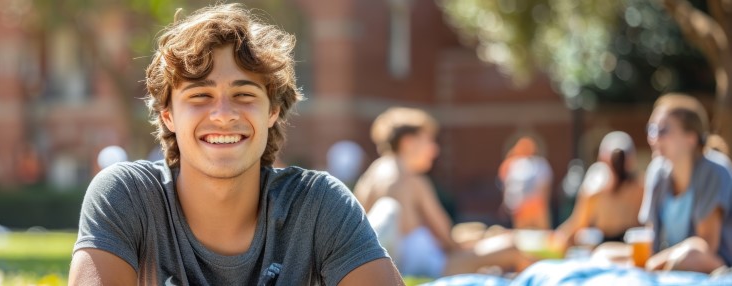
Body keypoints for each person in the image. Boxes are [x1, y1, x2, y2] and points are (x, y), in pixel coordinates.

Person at [69, 4, 403, 285]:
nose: (223, 115)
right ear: (168, 115)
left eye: (244, 95)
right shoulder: (128, 195)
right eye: (200, 95)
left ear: (272, 111)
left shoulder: (317, 204)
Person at [355, 107, 523, 278]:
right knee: (512, 246)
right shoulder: (412, 180)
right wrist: (482, 239)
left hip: (397, 266)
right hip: (435, 267)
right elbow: (448, 242)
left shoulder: (370, 177)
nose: (435, 150)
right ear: (408, 142)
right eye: (429, 141)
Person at [639, 106, 732, 272]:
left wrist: (653, 263)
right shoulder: (657, 172)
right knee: (604, 254)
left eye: (663, 130)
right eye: (652, 130)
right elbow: (650, 238)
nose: (654, 138)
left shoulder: (714, 171)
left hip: (710, 262)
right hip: (663, 260)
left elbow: (705, 247)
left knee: (690, 255)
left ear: (691, 138)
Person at [555, 131, 643, 245]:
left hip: (625, 246)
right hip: (607, 244)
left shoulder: (640, 187)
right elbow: (576, 225)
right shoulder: (595, 189)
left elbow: (577, 224)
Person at [499, 137, 553, 229]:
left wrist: (542, 205)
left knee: (542, 235)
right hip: (520, 209)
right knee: (521, 236)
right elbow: (507, 185)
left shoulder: (540, 164)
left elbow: (545, 186)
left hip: (536, 207)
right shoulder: (513, 164)